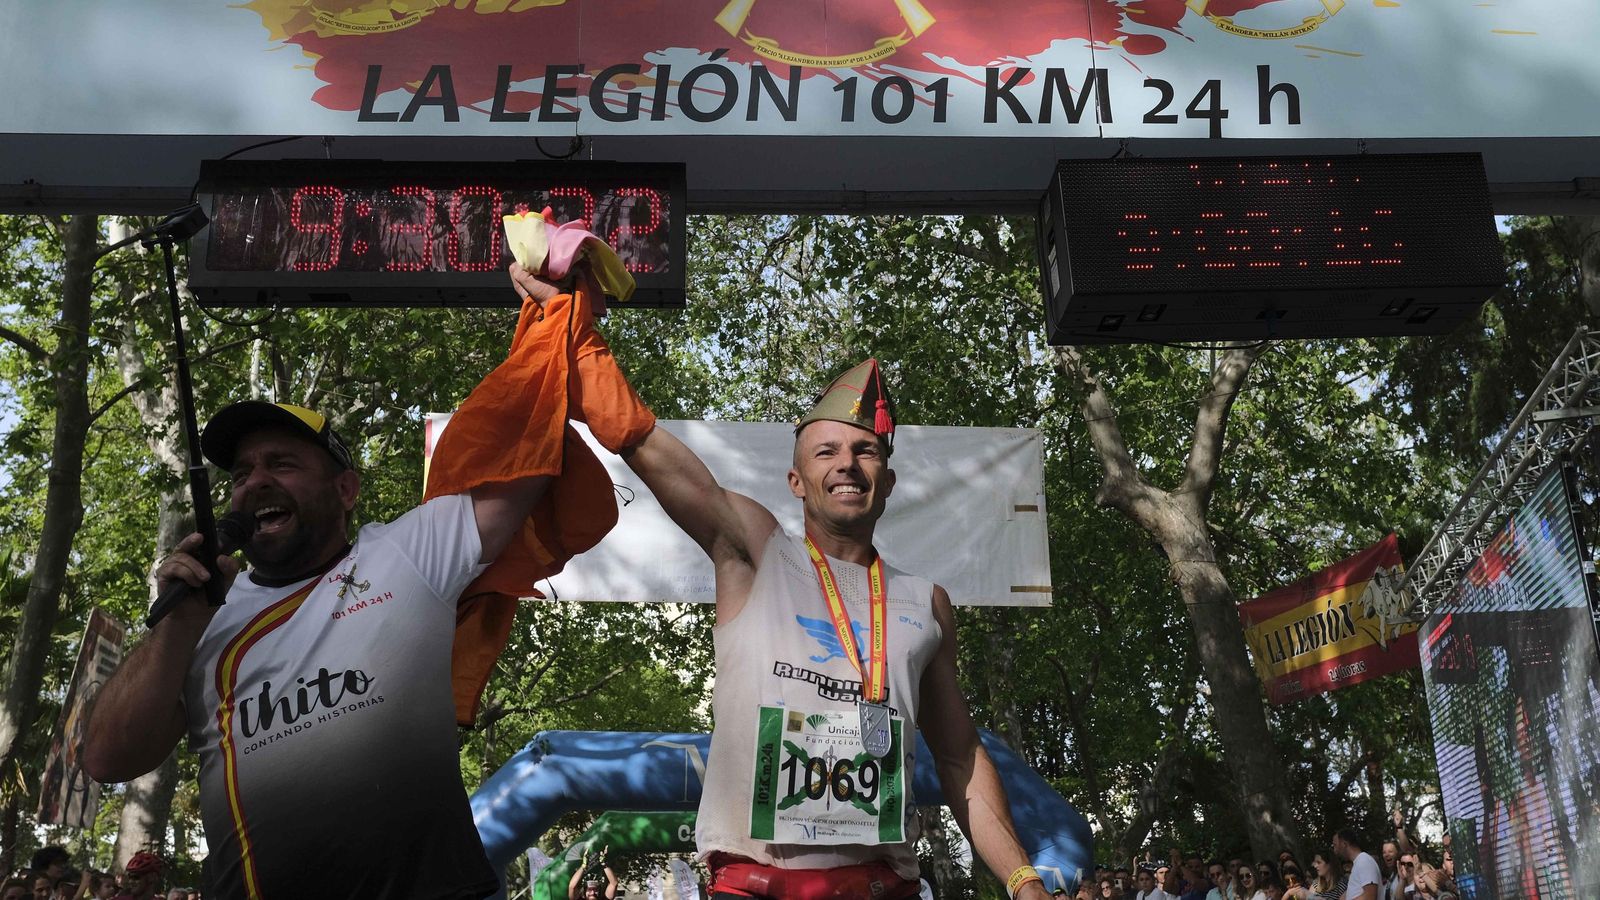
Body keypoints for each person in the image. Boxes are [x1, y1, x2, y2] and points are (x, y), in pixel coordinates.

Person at [507, 260, 1055, 900]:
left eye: (865, 451)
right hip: (753, 883)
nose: (846, 464)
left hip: (881, 885)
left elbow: (959, 757)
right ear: (796, 481)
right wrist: (573, 333)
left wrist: (1024, 881)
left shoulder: (924, 602)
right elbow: (645, 446)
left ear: (889, 479)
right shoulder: (756, 552)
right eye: (826, 452)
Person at [84, 395, 557, 894]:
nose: (256, 481)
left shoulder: (411, 551)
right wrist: (175, 627)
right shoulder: (199, 617)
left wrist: (559, 337)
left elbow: (535, 455)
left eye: (282, 463)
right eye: (240, 475)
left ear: (346, 489)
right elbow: (107, 760)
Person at [1331, 831, 1380, 900]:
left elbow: (1370, 896)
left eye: (1335, 845)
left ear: (1344, 844)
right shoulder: (1358, 863)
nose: (1335, 851)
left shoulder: (1364, 860)